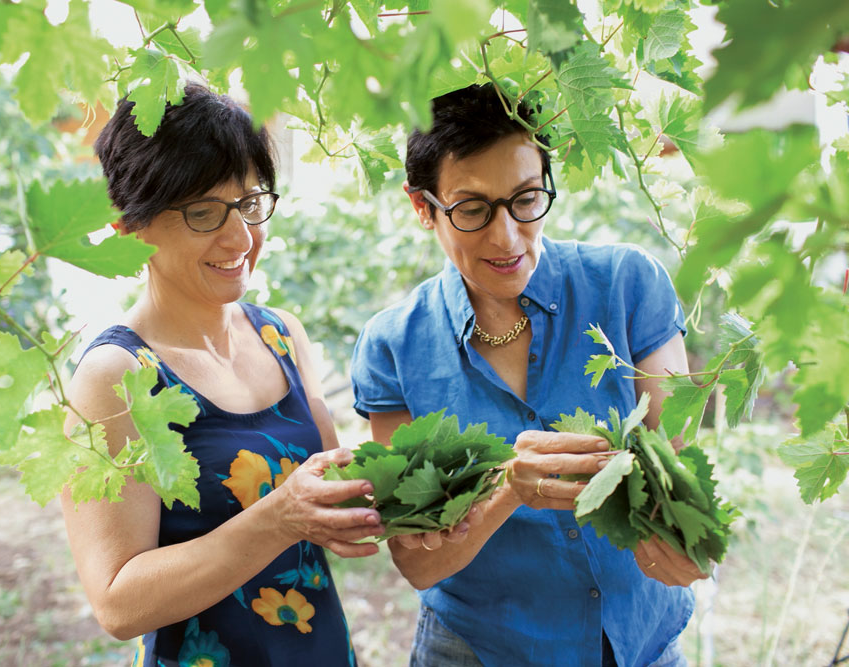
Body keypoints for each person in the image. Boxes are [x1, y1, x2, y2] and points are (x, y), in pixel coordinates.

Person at [350, 84, 708, 667]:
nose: (507, 236)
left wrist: (690, 541)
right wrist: (508, 490)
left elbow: (675, 474)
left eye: (526, 199)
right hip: (478, 650)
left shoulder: (626, 285)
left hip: (638, 644)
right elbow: (418, 563)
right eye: (472, 209)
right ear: (423, 208)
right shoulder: (395, 345)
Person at [61, 83, 384, 667]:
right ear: (128, 225)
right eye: (204, 213)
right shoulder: (116, 377)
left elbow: (328, 497)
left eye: (250, 204)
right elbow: (117, 602)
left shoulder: (281, 334)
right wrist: (280, 518)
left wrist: (455, 489)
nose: (240, 239)